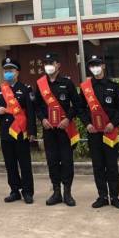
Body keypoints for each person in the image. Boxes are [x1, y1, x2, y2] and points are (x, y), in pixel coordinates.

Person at [33, 52, 82, 207]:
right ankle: (56, 192)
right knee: (52, 161)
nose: (48, 66)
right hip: (49, 130)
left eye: (51, 62)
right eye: (46, 63)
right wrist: (43, 119)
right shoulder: (40, 84)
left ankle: (67, 193)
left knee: (67, 162)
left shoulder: (67, 83)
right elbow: (37, 106)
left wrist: (68, 118)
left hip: (64, 130)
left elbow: (77, 104)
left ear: (58, 65)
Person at [78, 55, 119, 209]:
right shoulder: (85, 87)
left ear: (103, 66)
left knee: (112, 166)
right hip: (94, 133)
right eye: (92, 65)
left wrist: (113, 123)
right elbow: (80, 108)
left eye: (98, 64)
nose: (95, 68)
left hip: (109, 132)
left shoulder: (114, 86)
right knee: (98, 166)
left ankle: (115, 196)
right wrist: (87, 124)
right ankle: (102, 196)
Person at [0, 57, 37, 204]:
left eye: (10, 70)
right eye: (5, 70)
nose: (8, 73)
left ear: (17, 72)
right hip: (6, 133)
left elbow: (31, 112)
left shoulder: (26, 89)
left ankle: (28, 192)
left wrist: (32, 132)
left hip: (21, 132)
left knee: (24, 164)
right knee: (10, 164)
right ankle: (14, 191)